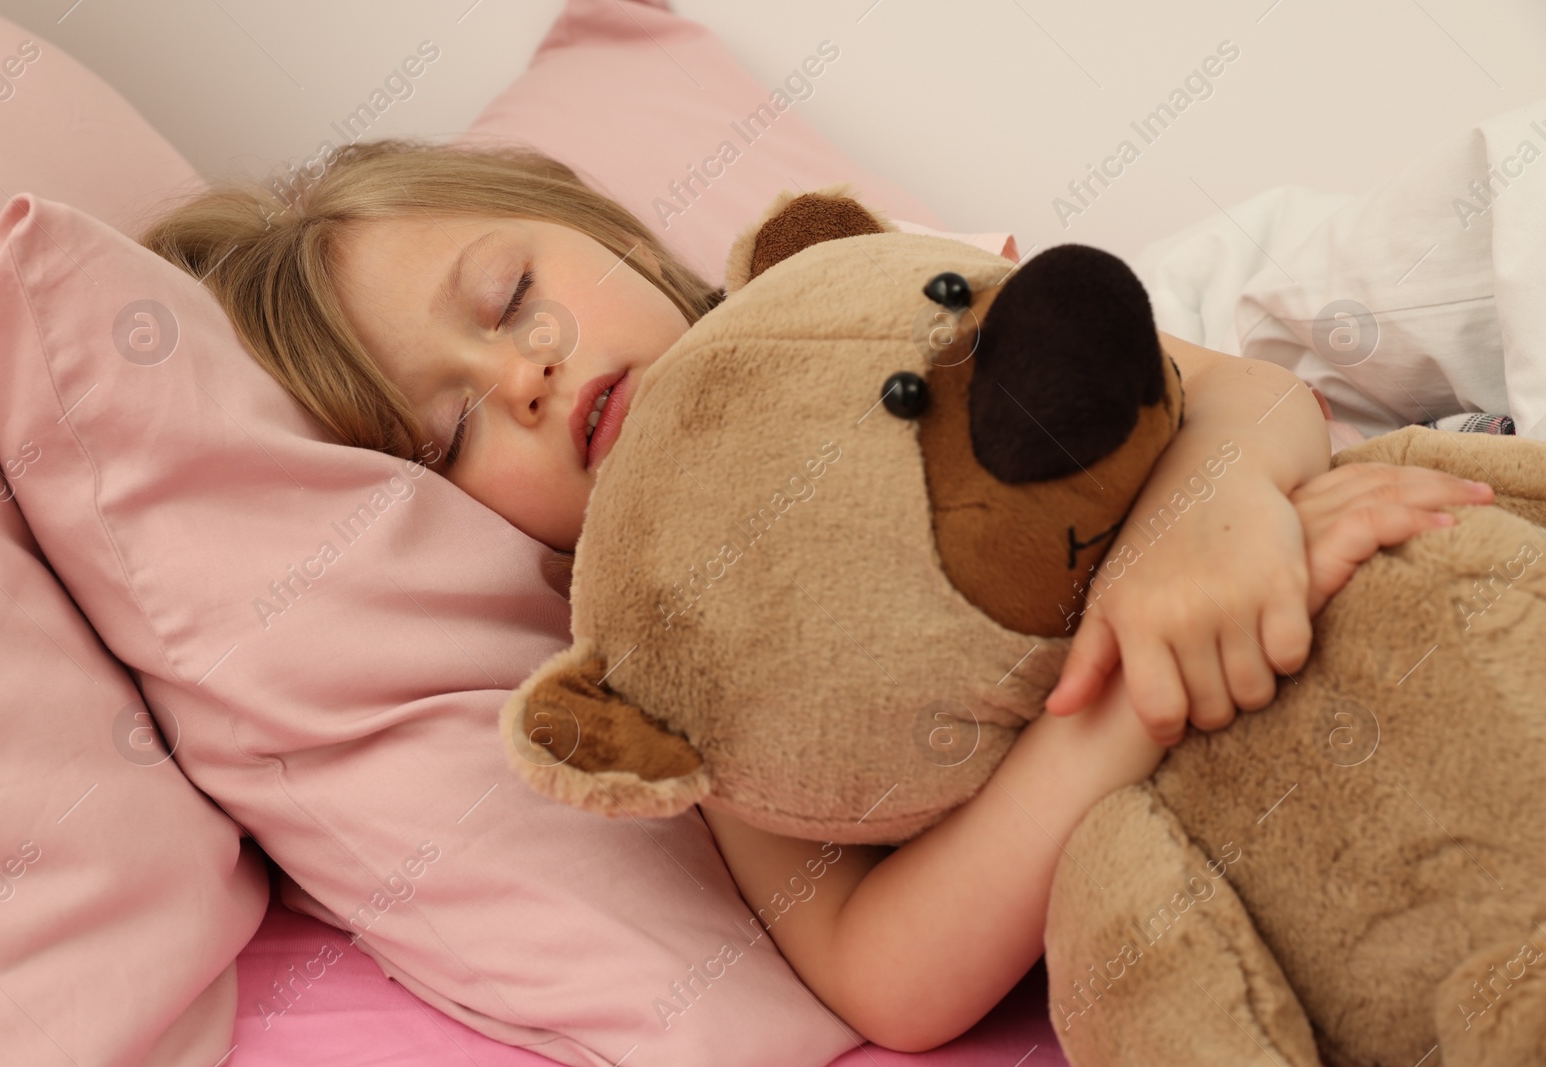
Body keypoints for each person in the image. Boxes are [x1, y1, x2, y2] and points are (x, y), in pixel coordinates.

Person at [140, 137, 1493, 1053]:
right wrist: (1127, 694)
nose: (524, 378)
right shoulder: (673, 652)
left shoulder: (856, 301)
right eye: (447, 436)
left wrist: (1211, 514)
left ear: (601, 231)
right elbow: (879, 971)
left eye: (508, 298)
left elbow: (1245, 393)